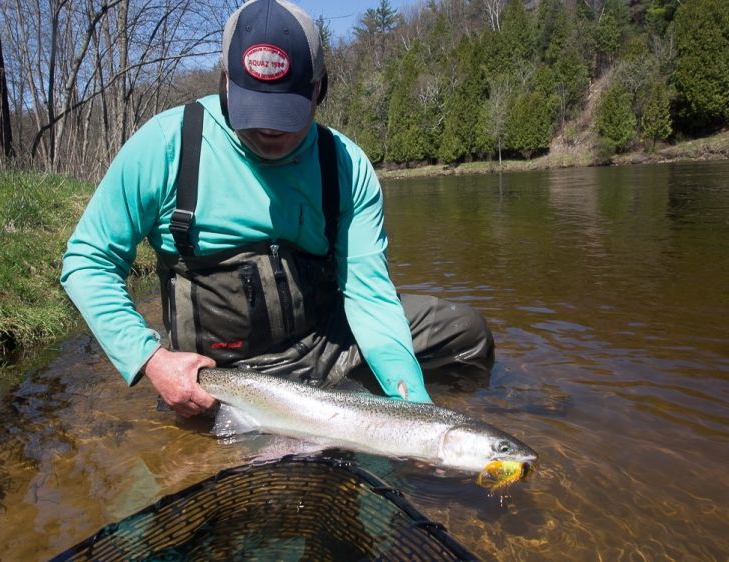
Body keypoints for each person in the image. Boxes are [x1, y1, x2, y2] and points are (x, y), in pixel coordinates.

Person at [61, 0, 493, 419]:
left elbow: (368, 294)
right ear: (224, 82)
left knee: (467, 335)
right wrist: (153, 360)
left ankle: (370, 409)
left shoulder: (345, 164)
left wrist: (413, 410)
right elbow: (87, 262)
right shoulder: (165, 146)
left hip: (323, 349)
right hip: (223, 377)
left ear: (319, 87)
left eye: (284, 112)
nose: (268, 128)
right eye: (253, 108)